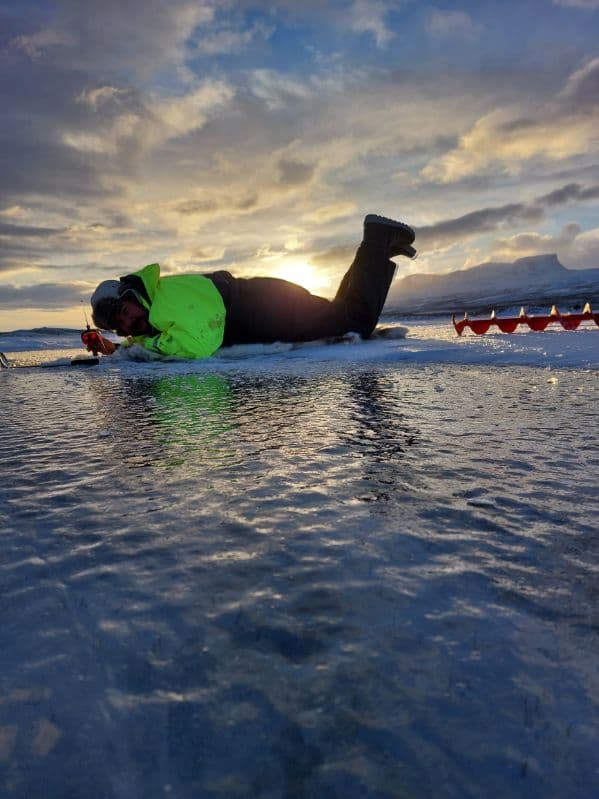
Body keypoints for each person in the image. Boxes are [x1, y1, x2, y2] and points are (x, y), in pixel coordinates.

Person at [87, 214, 416, 358]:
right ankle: (378, 248)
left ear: (130, 296)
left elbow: (197, 345)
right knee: (341, 315)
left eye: (125, 313)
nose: (130, 323)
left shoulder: (165, 302)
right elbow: (163, 338)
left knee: (355, 321)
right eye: (123, 327)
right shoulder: (157, 303)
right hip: (264, 302)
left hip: (265, 307)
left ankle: (377, 239)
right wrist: (120, 349)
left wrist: (136, 352)